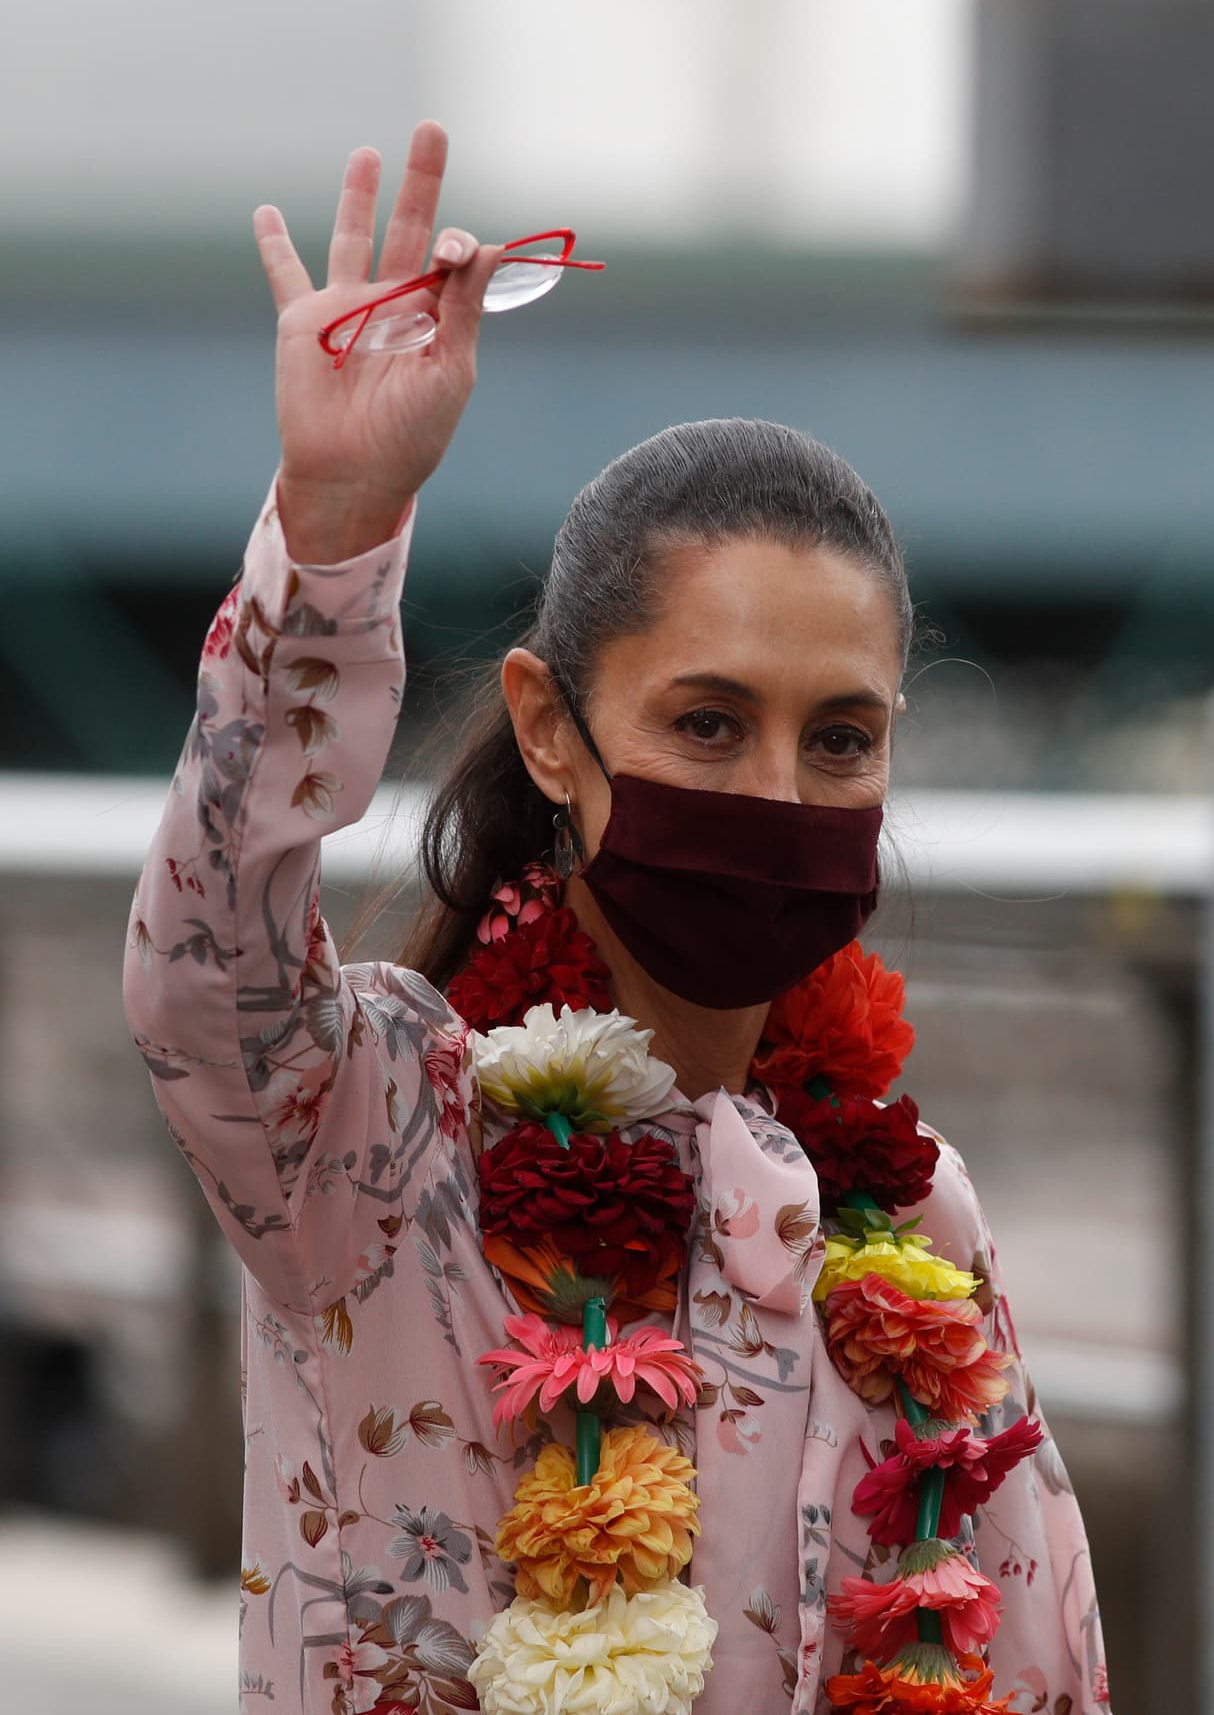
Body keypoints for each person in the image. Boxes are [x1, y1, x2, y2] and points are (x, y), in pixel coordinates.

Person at [123, 121, 1110, 1715]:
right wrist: (332, 538)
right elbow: (198, 967)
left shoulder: (917, 1233)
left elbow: (1049, 1663)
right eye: (708, 726)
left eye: (840, 738)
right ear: (549, 729)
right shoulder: (371, 1128)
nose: (781, 795)